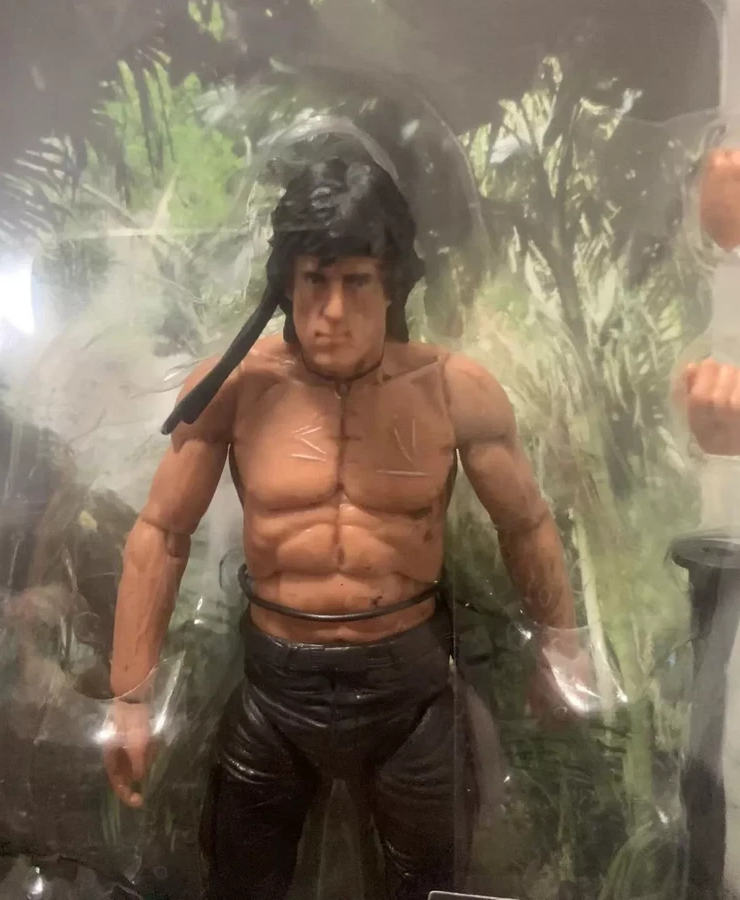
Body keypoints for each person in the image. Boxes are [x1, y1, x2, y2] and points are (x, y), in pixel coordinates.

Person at [105, 157, 580, 900]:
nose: (331, 309)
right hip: (273, 690)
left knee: (430, 887)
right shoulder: (234, 389)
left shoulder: (453, 391)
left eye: (356, 281)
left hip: (410, 692)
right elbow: (160, 536)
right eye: (313, 280)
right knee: (238, 883)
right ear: (284, 285)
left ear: (392, 284)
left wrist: (562, 647)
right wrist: (130, 700)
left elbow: (525, 525)